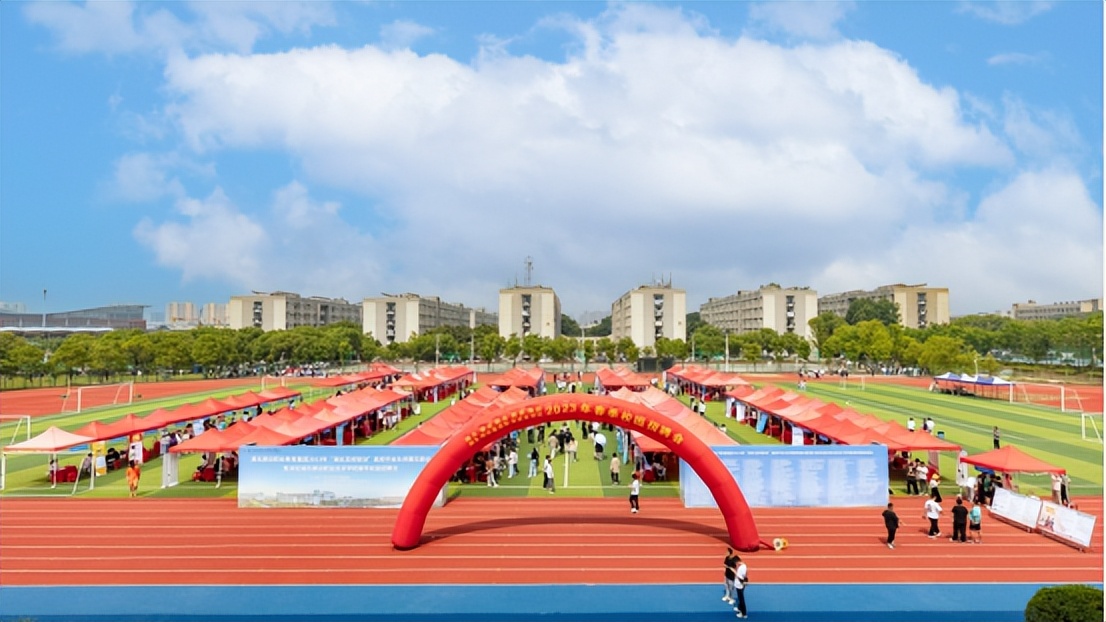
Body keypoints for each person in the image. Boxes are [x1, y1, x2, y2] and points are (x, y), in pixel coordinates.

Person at [732, 554, 749, 618]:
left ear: (737, 562)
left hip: (739, 585)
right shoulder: (744, 565)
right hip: (742, 584)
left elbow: (740, 578)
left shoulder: (740, 569)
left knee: (741, 599)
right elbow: (745, 575)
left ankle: (743, 613)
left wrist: (735, 572)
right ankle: (739, 608)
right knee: (740, 599)